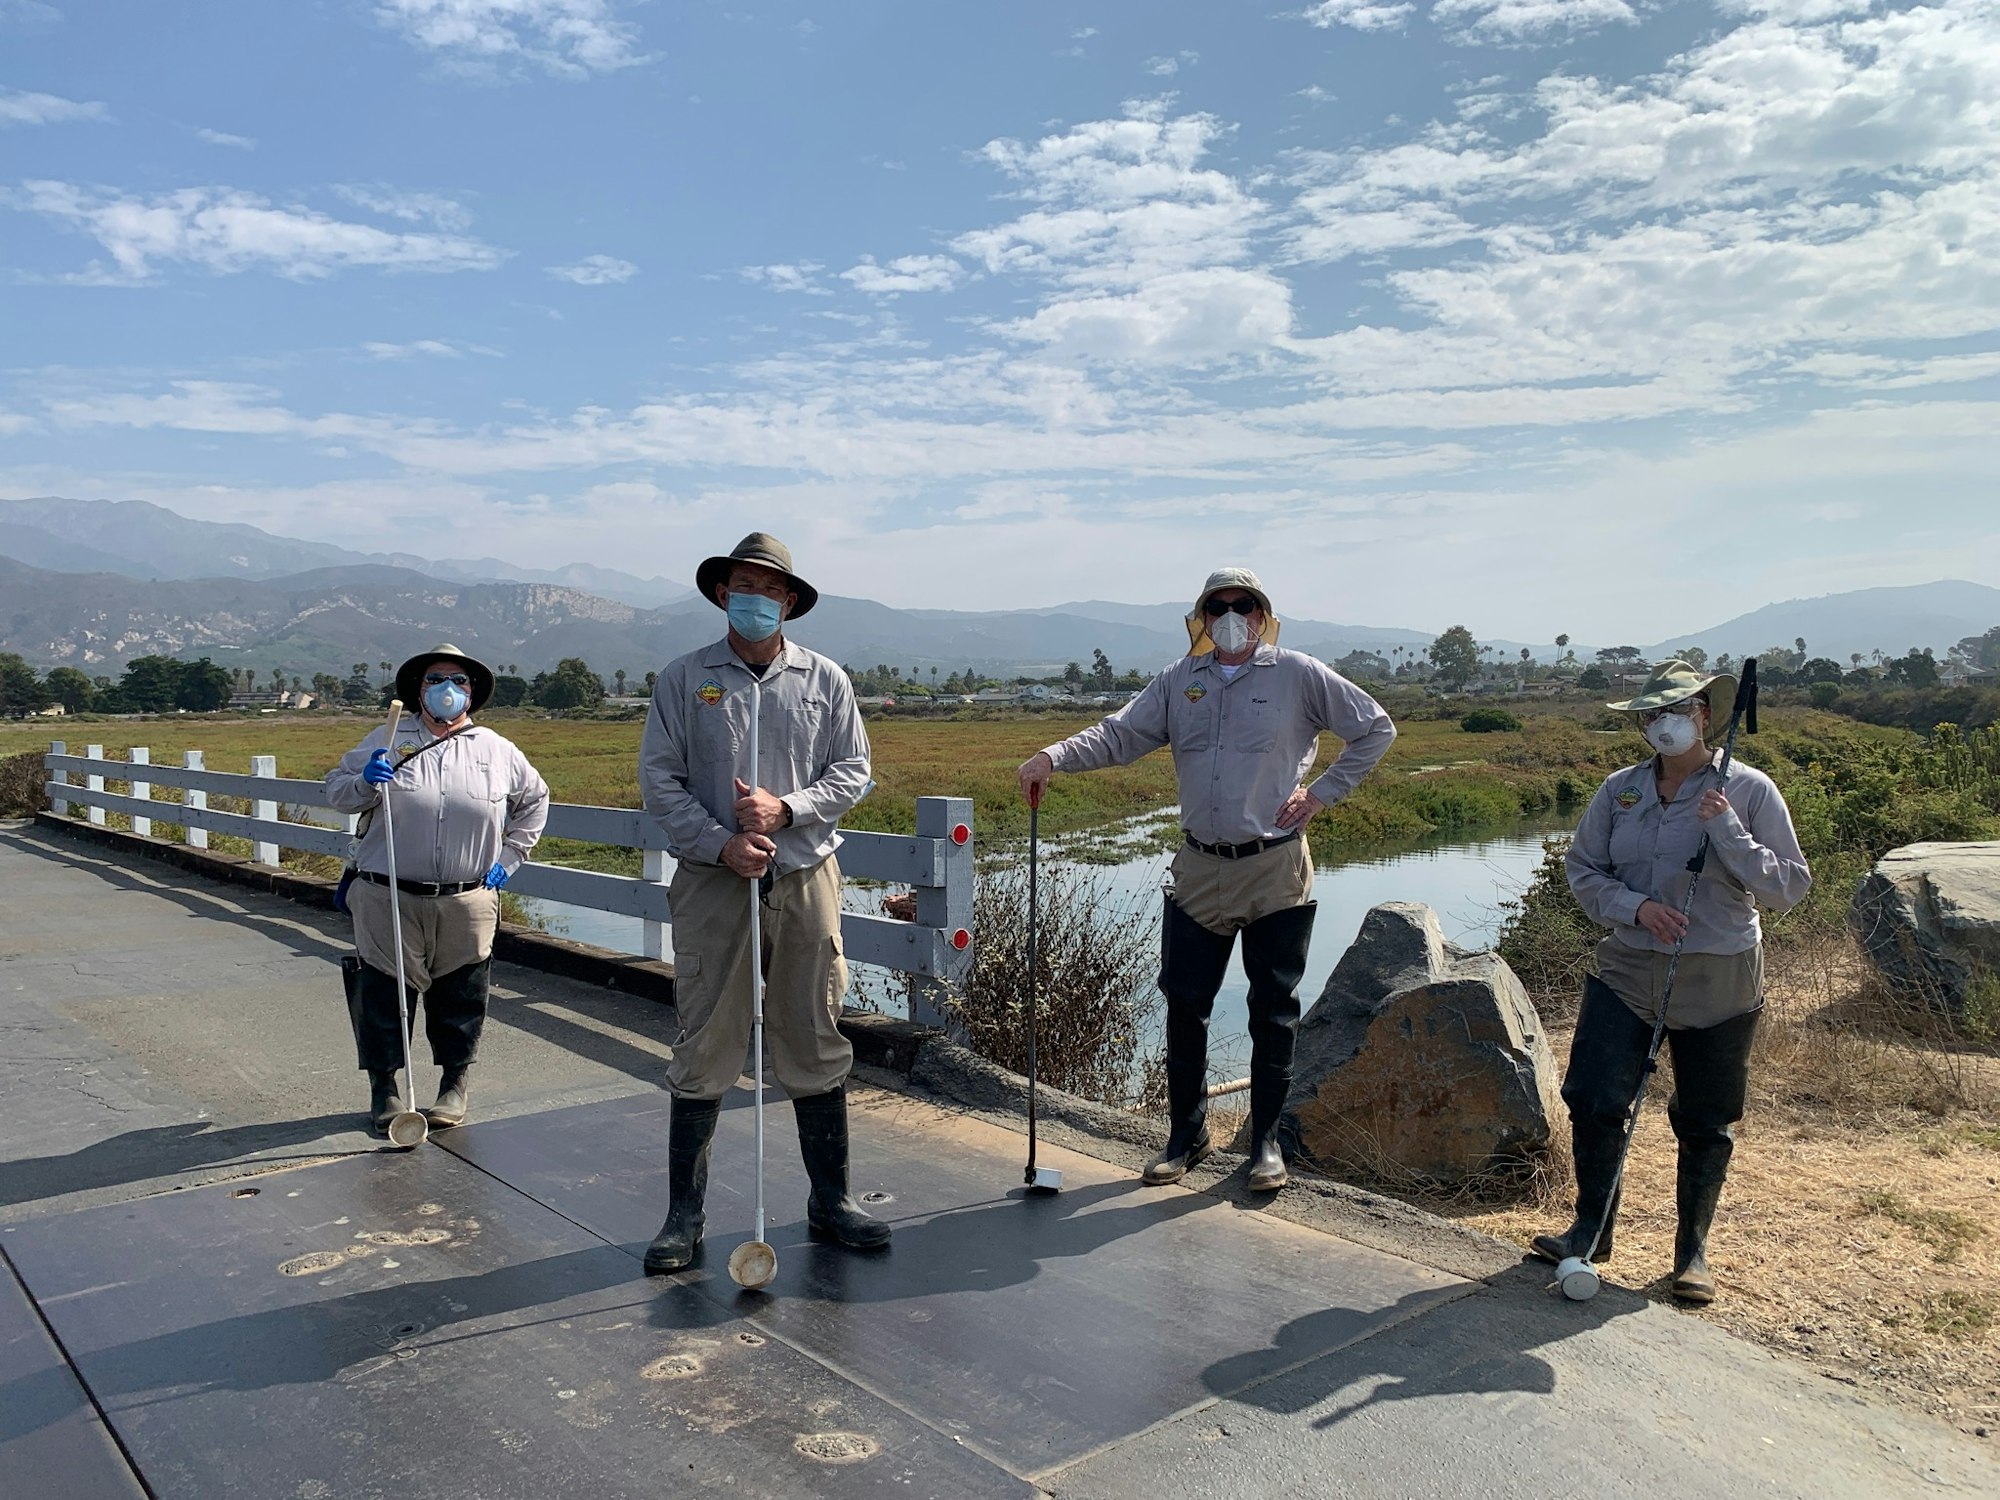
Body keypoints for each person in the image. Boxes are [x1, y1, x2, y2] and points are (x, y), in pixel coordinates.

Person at [1017, 568, 1396, 1192]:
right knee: (1185, 1004)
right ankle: (1186, 1135)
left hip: (1273, 864)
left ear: (1261, 613)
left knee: (1273, 1008)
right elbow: (1120, 734)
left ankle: (1266, 1145)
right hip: (1198, 865)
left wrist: (1323, 794)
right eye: (1217, 606)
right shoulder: (1179, 680)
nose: (1229, 615)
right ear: (1201, 615)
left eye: (1241, 605)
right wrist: (1052, 756)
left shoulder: (1299, 674)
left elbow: (1375, 728)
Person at [637, 532, 887, 1273]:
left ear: (789, 602)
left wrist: (788, 810)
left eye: (771, 589)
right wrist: (721, 843)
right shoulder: (686, 680)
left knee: (813, 1032)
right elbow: (661, 779)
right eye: (744, 586)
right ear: (723, 595)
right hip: (716, 883)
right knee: (707, 1036)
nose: (756, 599)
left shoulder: (825, 680)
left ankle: (831, 1199)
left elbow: (853, 772)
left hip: (805, 878)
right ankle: (685, 1216)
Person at [1534, 659, 1810, 1303]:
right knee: (1595, 1095)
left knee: (1706, 1116)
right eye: (1653, 713)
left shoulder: (1750, 791)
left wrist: (1728, 831)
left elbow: (1787, 887)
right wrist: (1636, 908)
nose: (1664, 723)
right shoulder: (1619, 791)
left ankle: (1691, 1254)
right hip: (1629, 965)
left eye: (1677, 710)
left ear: (1706, 715)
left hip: (1719, 973)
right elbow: (1584, 869)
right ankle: (1590, 1231)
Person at [325, 643, 549, 1134]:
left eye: (459, 680)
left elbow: (535, 800)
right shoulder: (387, 738)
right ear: (417, 690)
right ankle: (384, 1088)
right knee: (382, 992)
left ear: (472, 693)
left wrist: (509, 860)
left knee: (462, 991)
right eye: (435, 679)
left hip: (467, 895)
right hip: (388, 893)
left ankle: (454, 1084)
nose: (447, 688)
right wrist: (364, 780)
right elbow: (335, 791)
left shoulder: (497, 749)